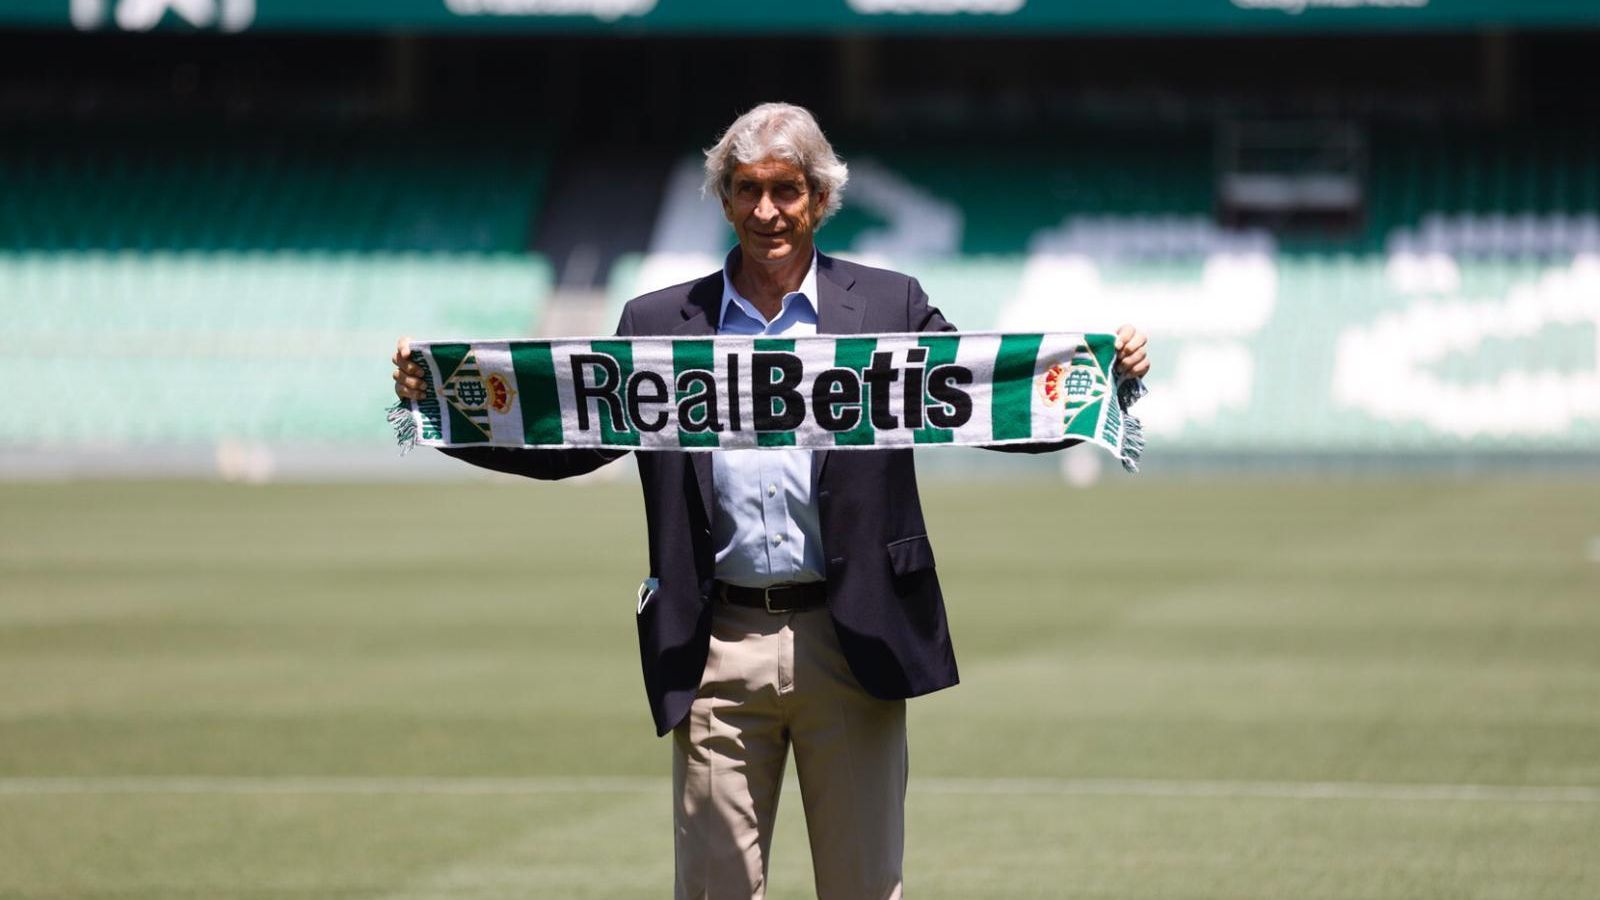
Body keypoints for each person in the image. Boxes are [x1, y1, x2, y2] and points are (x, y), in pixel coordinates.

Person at [392, 102, 1150, 900]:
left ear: (820, 197)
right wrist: (443, 406)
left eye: (785, 190)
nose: (766, 211)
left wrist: (1104, 378)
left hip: (852, 637)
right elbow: (571, 439)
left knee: (863, 889)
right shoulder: (660, 325)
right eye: (747, 189)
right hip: (716, 646)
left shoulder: (890, 309)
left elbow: (982, 401)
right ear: (723, 198)